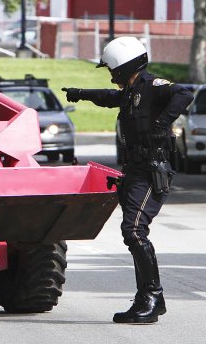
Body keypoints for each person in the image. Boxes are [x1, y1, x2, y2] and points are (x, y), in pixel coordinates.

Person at [62, 36, 193, 324]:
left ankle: (153, 297)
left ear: (122, 66)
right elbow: (110, 98)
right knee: (132, 231)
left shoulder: (153, 87)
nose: (110, 75)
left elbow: (184, 93)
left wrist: (162, 123)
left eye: (111, 69)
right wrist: (81, 93)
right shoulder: (132, 91)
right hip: (135, 169)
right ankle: (144, 298)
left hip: (151, 170)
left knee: (134, 230)